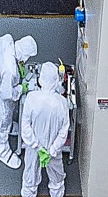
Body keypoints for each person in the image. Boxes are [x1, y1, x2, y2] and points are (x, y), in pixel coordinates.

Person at [19, 61, 73, 197]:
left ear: (40, 79)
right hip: (53, 150)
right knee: (57, 180)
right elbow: (63, 131)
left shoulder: (31, 99)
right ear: (57, 80)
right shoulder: (62, 103)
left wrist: (38, 147)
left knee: (30, 179)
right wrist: (52, 150)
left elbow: (25, 128)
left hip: (34, 149)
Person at [0, 32, 38, 168]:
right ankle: (0, 149)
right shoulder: (10, 70)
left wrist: (18, 66)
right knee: (1, 117)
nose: (26, 60)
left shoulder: (7, 39)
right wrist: (21, 88)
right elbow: (7, 94)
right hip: (1, 93)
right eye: (27, 57)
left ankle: (9, 127)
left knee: (7, 116)